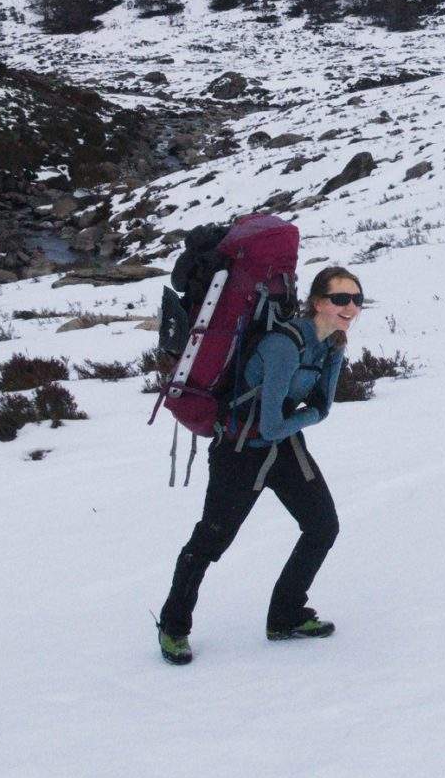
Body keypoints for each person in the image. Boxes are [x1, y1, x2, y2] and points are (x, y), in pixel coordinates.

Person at [155, 266, 363, 664]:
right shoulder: (283, 346)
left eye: (356, 300)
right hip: (239, 449)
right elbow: (285, 419)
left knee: (322, 526)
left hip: (282, 445)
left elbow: (321, 408)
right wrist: (307, 417)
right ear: (318, 302)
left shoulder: (334, 345)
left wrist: (303, 419)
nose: (350, 307)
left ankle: (285, 615)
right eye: (340, 299)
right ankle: (173, 627)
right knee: (211, 541)